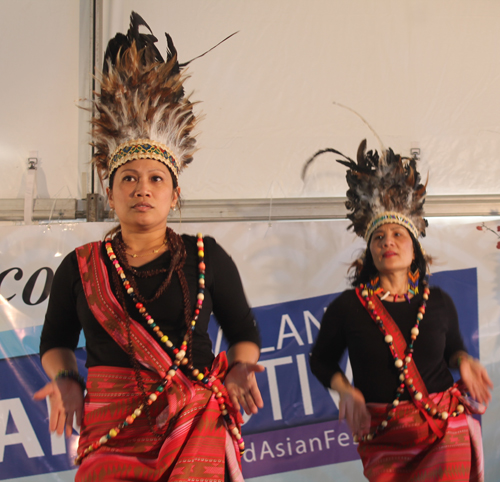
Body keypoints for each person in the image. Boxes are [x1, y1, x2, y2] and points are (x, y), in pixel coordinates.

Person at [34, 12, 263, 482]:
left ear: (174, 195)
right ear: (111, 192)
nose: (143, 188)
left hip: (195, 426)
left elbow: (244, 332)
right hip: (112, 431)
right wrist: (65, 380)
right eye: (130, 179)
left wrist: (241, 368)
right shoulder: (81, 268)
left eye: (156, 179)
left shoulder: (206, 256)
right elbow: (55, 344)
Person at [306, 139, 493, 481]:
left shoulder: (437, 301)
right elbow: (320, 359)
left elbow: (453, 350)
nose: (387, 242)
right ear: (370, 252)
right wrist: (345, 389)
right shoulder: (347, 307)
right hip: (384, 440)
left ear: (414, 249)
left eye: (397, 235)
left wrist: (465, 362)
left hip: (444, 431)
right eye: (378, 237)